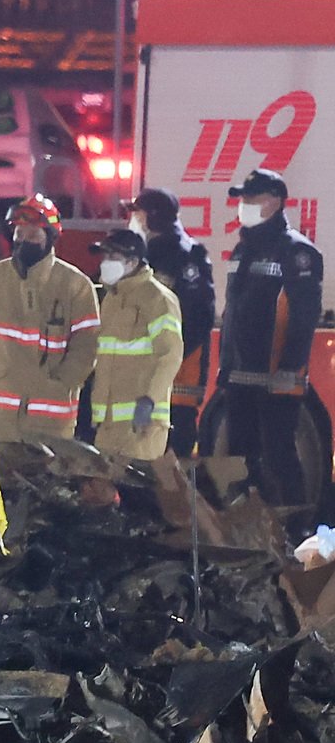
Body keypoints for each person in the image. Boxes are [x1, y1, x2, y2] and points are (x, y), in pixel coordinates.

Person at [217, 168, 323, 505]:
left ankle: (294, 528)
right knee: (239, 460)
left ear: (275, 202)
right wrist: (226, 365)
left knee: (280, 457)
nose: (243, 204)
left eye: (252, 198)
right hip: (239, 375)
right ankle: (251, 528)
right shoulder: (241, 250)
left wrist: (288, 371)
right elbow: (234, 312)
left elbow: (303, 318)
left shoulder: (297, 253)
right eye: (242, 198)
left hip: (277, 377)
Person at [0, 194, 100, 443]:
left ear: (50, 238)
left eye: (32, 235)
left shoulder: (75, 285)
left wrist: (60, 384)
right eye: (19, 235)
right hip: (1, 420)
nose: (23, 241)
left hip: (52, 422)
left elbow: (87, 347)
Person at [126, 188, 215, 457]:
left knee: (174, 455)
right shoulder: (143, 254)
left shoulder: (187, 256)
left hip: (179, 379)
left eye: (137, 214)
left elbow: (199, 317)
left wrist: (168, 356)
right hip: (147, 374)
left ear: (152, 217)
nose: (132, 220)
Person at [88, 229, 185, 461]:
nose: (105, 263)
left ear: (132, 262)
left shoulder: (158, 298)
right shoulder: (112, 298)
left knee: (138, 493)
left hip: (141, 425)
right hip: (108, 425)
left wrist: (150, 400)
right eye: (104, 257)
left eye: (113, 258)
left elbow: (171, 354)